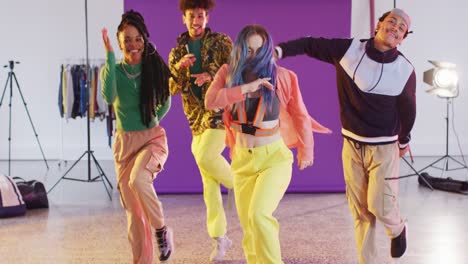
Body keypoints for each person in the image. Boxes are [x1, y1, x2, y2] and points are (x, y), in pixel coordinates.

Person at [276, 8, 415, 264]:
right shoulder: (349, 51)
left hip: (384, 147)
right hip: (351, 144)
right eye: (391, 21)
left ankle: (397, 228)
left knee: (380, 206)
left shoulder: (404, 70)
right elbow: (310, 44)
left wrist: (404, 140)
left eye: (402, 28)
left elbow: (408, 109)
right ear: (378, 24)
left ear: (403, 38)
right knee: (361, 211)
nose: (395, 27)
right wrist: (279, 51)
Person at [205, 24, 330, 264]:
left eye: (259, 50)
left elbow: (300, 115)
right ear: (240, 49)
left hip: (274, 158)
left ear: (267, 50)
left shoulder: (283, 76)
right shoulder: (228, 73)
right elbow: (211, 101)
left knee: (259, 215)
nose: (253, 56)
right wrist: (245, 88)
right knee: (249, 227)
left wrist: (307, 149)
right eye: (248, 50)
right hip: (242, 159)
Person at [100, 10, 174, 264]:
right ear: (120, 44)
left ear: (144, 38)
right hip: (124, 144)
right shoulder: (113, 71)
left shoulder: (152, 67)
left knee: (138, 180)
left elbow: (165, 101)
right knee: (134, 215)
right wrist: (110, 58)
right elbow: (109, 98)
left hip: (151, 139)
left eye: (137, 38)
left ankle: (162, 231)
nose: (133, 45)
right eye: (127, 40)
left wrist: (150, 120)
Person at [168, 0, 234, 261]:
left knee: (207, 157)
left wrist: (212, 74)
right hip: (195, 120)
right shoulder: (176, 53)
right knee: (209, 182)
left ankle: (244, 189)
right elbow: (171, 89)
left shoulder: (221, 42)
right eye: (191, 16)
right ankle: (220, 238)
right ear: (184, 18)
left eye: (201, 15)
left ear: (206, 17)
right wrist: (180, 69)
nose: (196, 20)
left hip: (219, 113)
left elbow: (238, 72)